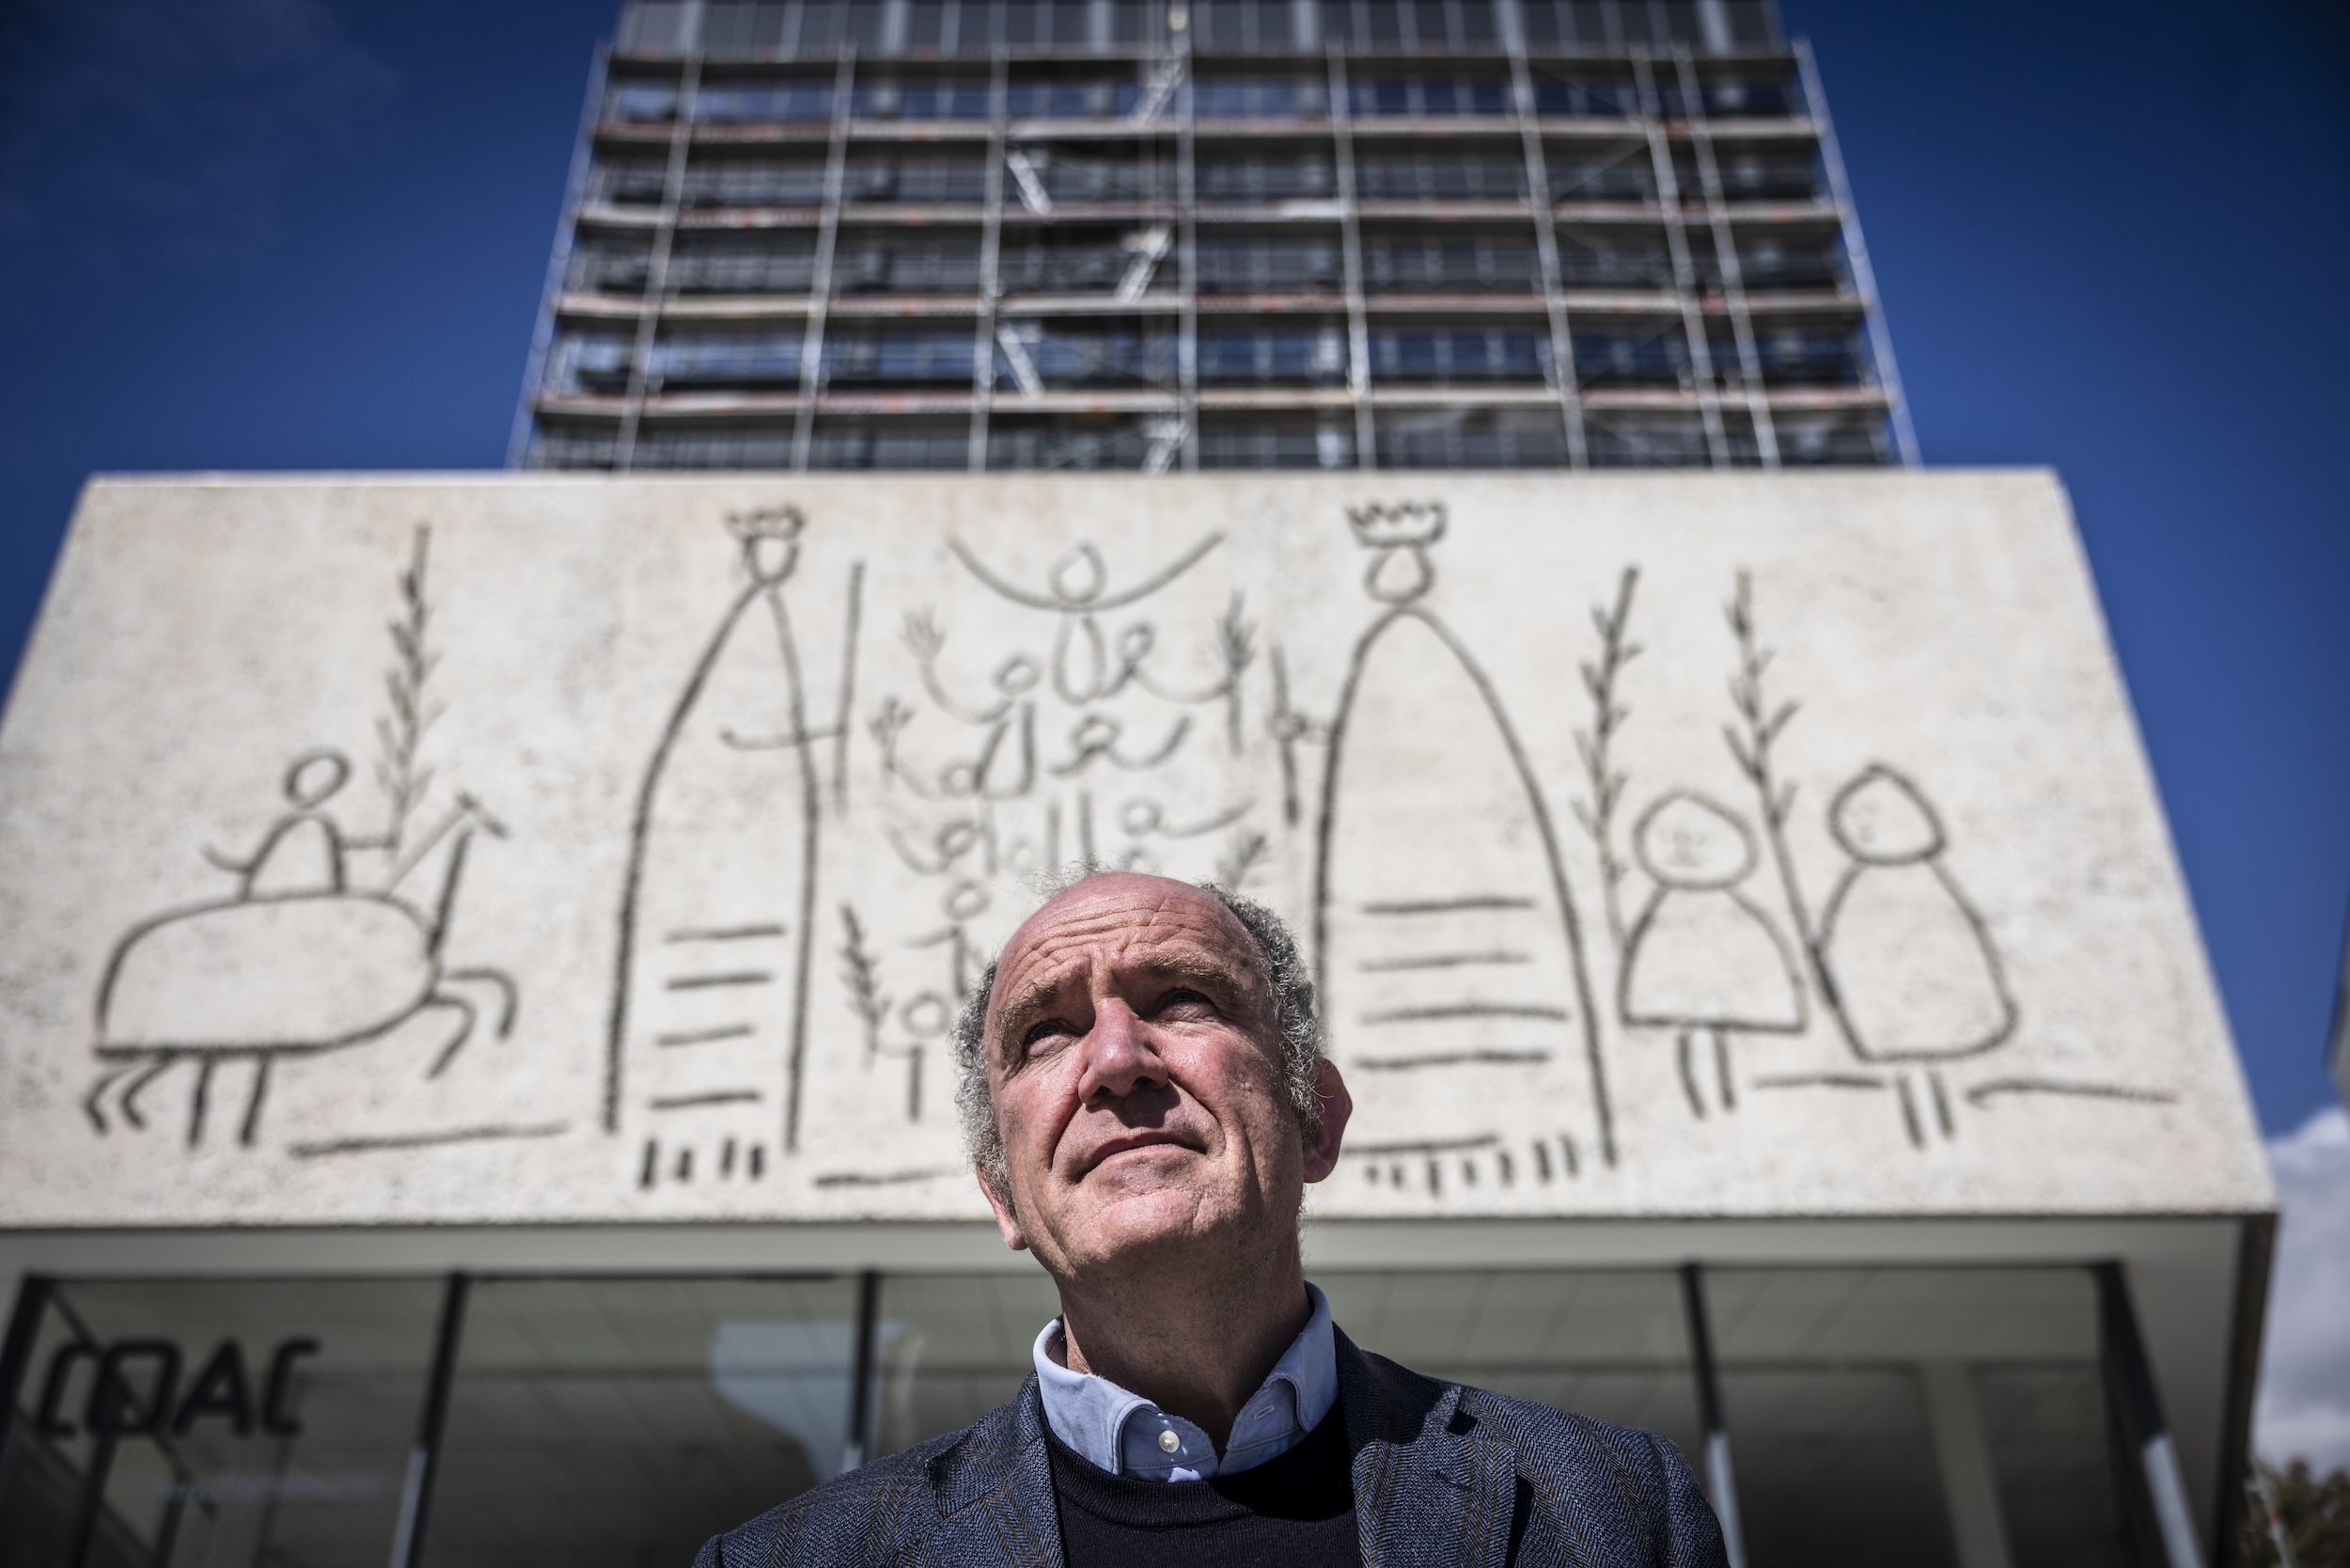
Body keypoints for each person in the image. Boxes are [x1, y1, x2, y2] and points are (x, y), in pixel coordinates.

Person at [696, 871, 1729, 1566]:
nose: (1114, 1060)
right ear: (1002, 1193)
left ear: (1315, 1119)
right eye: (1046, 1033)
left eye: (1181, 1000)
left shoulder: (1612, 1508)